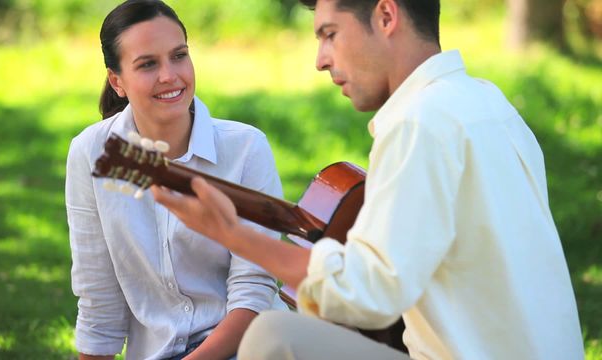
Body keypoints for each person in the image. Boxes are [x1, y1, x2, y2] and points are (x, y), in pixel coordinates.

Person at [151, 0, 586, 359]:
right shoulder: (486, 101)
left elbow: (368, 294)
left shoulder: (420, 122)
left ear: (385, 16)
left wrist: (232, 234)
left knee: (272, 337)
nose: (321, 60)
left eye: (329, 34)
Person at [65, 1, 287, 359]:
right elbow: (98, 297)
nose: (170, 75)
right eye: (148, 64)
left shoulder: (246, 148)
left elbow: (253, 291)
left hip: (250, 347)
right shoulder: (91, 153)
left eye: (179, 55)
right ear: (116, 81)